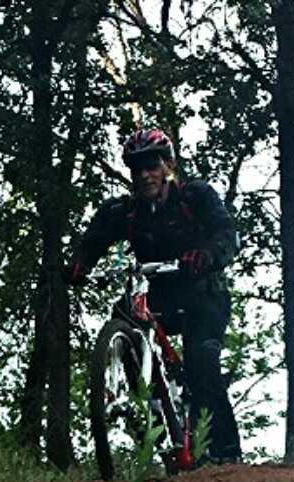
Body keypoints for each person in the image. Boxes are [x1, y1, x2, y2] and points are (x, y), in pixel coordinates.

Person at [63, 128, 242, 463]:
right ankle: (151, 402)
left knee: (202, 361)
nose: (145, 175)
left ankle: (227, 456)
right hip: (161, 292)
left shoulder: (196, 197)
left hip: (204, 293)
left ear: (167, 166)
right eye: (137, 168)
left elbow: (226, 233)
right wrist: (79, 265)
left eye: (152, 166)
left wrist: (206, 255)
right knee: (125, 316)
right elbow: (95, 238)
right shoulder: (126, 211)